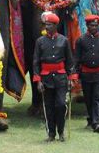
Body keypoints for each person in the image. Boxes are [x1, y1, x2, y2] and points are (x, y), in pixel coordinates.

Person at [32, 11, 74, 142]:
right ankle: (51, 134)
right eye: (46, 25)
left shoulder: (64, 40)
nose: (47, 27)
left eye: (49, 25)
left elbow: (69, 61)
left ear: (56, 25)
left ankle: (61, 132)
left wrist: (72, 78)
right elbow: (36, 62)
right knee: (48, 107)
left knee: (61, 105)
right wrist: (38, 81)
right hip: (46, 79)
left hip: (61, 78)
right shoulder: (40, 41)